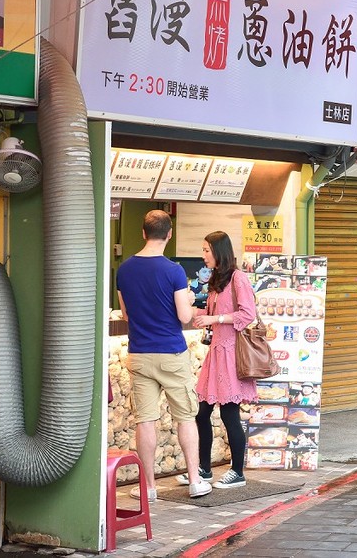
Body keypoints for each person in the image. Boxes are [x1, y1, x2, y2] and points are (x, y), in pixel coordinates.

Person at [116, 210, 212, 501]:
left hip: (140, 354)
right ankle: (195, 481)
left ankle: (148, 488)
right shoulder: (173, 271)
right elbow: (184, 315)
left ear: (143, 233)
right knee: (185, 417)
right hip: (171, 352)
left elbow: (126, 314)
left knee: (145, 420)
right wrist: (194, 305)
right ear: (169, 235)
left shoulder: (125, 270)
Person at [184, 231, 258, 489]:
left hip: (231, 354)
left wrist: (214, 319)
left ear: (219, 251)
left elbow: (247, 314)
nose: (203, 255)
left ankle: (237, 472)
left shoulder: (239, 278)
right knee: (201, 413)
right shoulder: (217, 279)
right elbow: (214, 312)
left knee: (229, 415)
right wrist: (196, 311)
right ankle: (204, 469)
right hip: (216, 354)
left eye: (206, 250)